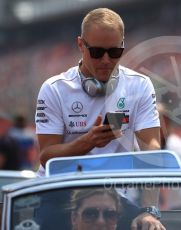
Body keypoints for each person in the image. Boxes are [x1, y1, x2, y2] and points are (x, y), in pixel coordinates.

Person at [34, 8, 163, 229]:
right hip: (59, 194)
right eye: (97, 52)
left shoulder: (139, 86)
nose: (106, 60)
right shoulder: (54, 89)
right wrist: (89, 142)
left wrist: (149, 210)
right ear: (80, 45)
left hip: (112, 197)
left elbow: (151, 149)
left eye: (114, 52)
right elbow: (47, 157)